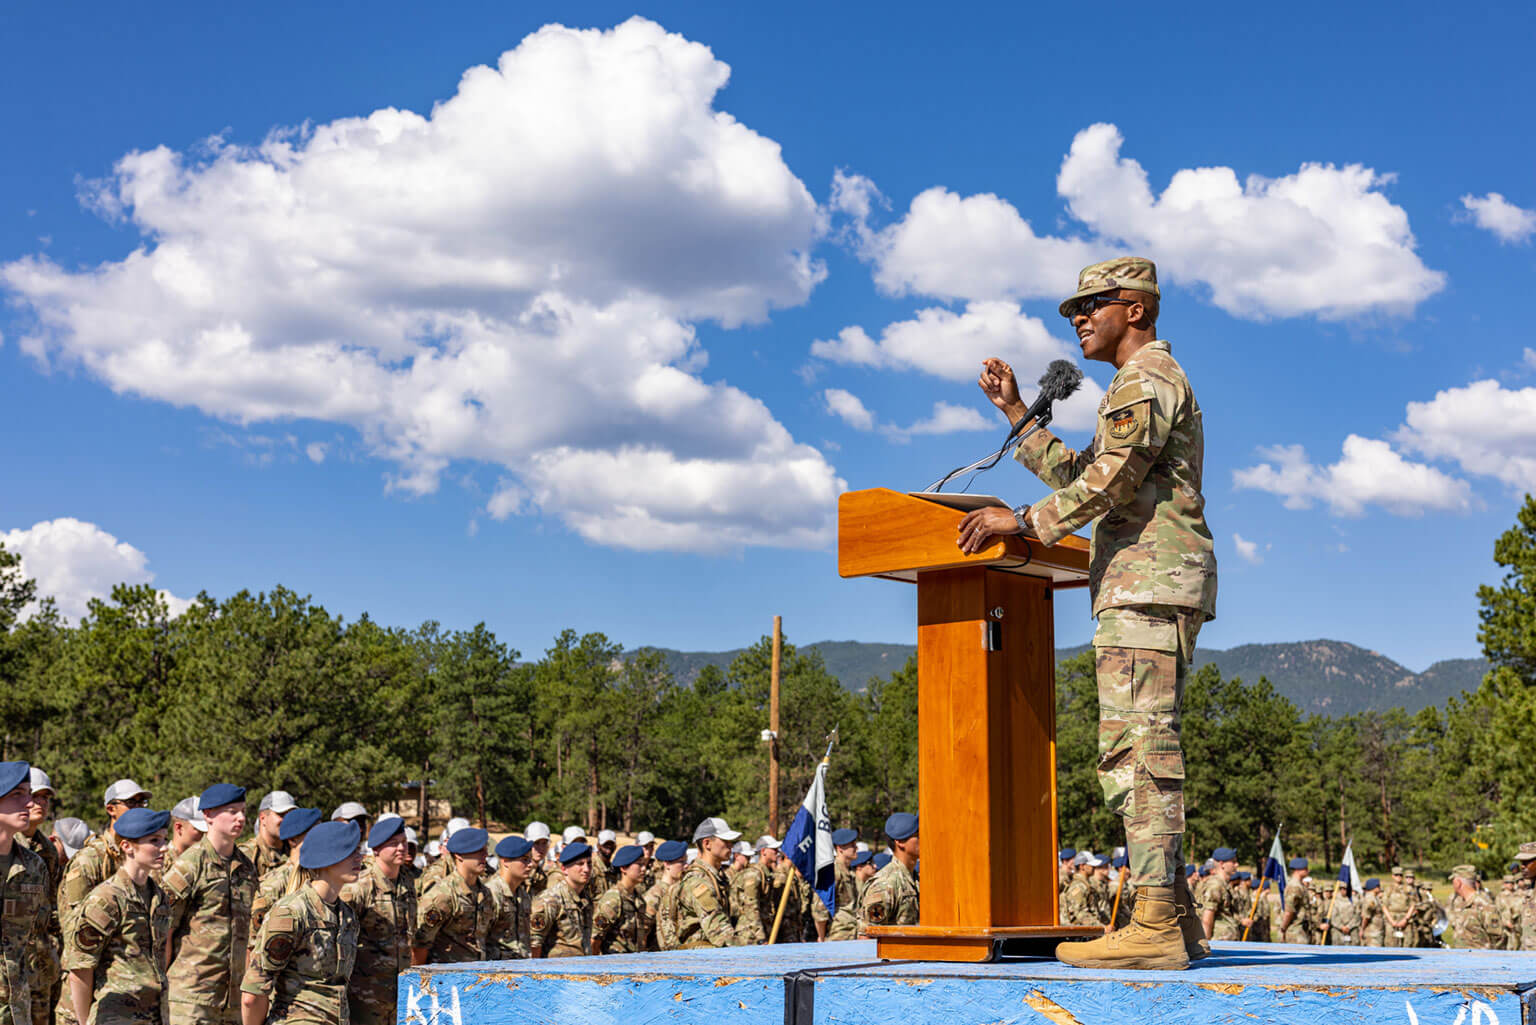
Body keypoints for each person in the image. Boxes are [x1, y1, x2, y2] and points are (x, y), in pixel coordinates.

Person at [967, 257, 1217, 972]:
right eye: (1072, 310)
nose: (1077, 318)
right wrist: (1017, 414)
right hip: (1141, 583)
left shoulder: (1147, 378)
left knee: (1139, 751)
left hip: (1148, 582)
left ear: (1135, 309)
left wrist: (1019, 521)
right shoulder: (1133, 388)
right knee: (1143, 747)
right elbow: (1086, 477)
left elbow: (1109, 483)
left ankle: (1156, 921)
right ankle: (1175, 919)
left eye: (1091, 305)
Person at [240, 821, 361, 1025]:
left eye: (358, 850)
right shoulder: (291, 913)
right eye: (350, 851)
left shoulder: (346, 915)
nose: (360, 857)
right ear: (326, 858)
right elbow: (253, 995)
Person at [63, 807, 172, 1025]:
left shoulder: (158, 896)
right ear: (127, 847)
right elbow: (80, 967)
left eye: (164, 839)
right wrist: (84, 1022)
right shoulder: (106, 899)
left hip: (155, 1014)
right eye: (154, 841)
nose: (164, 848)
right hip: (115, 1016)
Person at [163, 784, 257, 1025]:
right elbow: (165, 929)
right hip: (192, 998)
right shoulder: (190, 865)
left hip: (232, 1000)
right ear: (208, 815)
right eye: (232, 811)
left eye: (243, 811)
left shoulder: (246, 868)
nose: (241, 818)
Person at [340, 817, 415, 1025]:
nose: (401, 848)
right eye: (393, 843)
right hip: (366, 995)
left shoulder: (407, 883)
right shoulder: (359, 887)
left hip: (400, 992)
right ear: (376, 850)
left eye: (404, 842)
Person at [1, 762, 49, 1025]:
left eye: (29, 794)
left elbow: (37, 933)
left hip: (18, 1006)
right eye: (17, 794)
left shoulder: (34, 866)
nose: (30, 803)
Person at [247, 809, 323, 959]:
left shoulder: (322, 878)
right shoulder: (272, 886)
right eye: (313, 834)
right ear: (293, 840)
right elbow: (252, 947)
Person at [412, 828, 493, 964]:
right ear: (459, 855)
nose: (485, 855)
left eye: (485, 849)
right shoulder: (443, 895)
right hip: (446, 977)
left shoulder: (485, 893)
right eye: (479, 851)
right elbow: (420, 945)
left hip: (477, 975)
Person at [20, 768, 62, 1025]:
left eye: (46, 797)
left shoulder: (47, 850)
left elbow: (51, 904)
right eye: (36, 795)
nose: (42, 803)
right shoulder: (6, 845)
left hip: (40, 965)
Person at [676, 819, 738, 949]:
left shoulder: (717, 877)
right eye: (725, 841)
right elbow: (719, 930)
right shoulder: (698, 881)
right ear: (707, 843)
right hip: (700, 960)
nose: (730, 846)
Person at [528, 842, 593, 959]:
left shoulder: (585, 899)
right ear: (564, 869)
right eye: (580, 864)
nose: (586, 869)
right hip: (555, 972)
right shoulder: (550, 900)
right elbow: (534, 944)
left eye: (589, 864)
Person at [858, 814, 919, 934]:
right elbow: (868, 937)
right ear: (900, 842)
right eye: (917, 836)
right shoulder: (885, 884)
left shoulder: (915, 878)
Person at [592, 845, 648, 955]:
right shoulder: (613, 899)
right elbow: (595, 939)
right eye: (639, 865)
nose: (644, 869)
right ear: (623, 868)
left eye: (644, 864)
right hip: (614, 964)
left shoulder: (638, 899)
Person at [485, 836, 532, 960]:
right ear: (505, 861)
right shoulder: (491, 893)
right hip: (497, 970)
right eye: (525, 860)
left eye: (530, 859)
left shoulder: (523, 894)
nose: (530, 865)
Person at [240, 794, 295, 884]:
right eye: (281, 815)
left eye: (290, 815)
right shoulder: (247, 855)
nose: (287, 820)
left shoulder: (295, 850)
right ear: (263, 818)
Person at [1446, 865, 1503, 950]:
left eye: (1453, 881)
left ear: (1458, 883)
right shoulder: (1463, 903)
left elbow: (1498, 938)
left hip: (1480, 960)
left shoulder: (1484, 905)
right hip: (1462, 959)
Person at [1196, 848, 1240, 942]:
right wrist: (1206, 946)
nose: (1237, 865)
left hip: (1226, 941)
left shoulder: (1224, 884)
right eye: (1233, 862)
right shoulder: (1215, 885)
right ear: (1222, 864)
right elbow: (1207, 918)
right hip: (1219, 942)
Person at [827, 831, 861, 941]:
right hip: (837, 933)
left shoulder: (850, 873)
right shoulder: (833, 871)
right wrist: (821, 936)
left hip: (851, 932)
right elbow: (820, 907)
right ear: (840, 848)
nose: (856, 848)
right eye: (852, 845)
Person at [1278, 858, 1314, 944]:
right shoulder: (1294, 886)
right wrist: (1283, 929)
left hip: (1302, 930)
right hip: (1295, 932)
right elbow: (1289, 911)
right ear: (1297, 870)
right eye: (1305, 868)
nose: (1307, 870)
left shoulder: (1300, 885)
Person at [1060, 853, 1101, 928]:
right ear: (1082, 866)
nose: (1094, 867)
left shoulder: (1086, 884)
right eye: (1091, 865)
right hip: (1081, 933)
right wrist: (1100, 927)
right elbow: (1080, 913)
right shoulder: (1078, 886)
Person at [1384, 866, 1412, 947]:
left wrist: (1405, 919)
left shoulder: (1408, 888)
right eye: (1396, 875)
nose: (1398, 877)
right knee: (1390, 944)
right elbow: (1384, 906)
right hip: (1392, 919)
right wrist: (1392, 921)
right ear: (1392, 876)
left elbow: (1412, 905)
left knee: (1407, 944)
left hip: (1405, 919)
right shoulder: (1388, 889)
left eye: (1400, 875)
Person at [524, 823, 553, 897]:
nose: (541, 848)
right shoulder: (519, 871)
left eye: (544, 843)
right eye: (536, 843)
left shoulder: (541, 876)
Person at [1359, 878, 1385, 946]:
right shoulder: (1370, 899)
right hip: (1372, 933)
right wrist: (1362, 929)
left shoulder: (1375, 897)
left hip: (1377, 931)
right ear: (1373, 887)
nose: (1379, 887)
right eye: (1378, 886)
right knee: (1373, 954)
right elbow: (1366, 917)